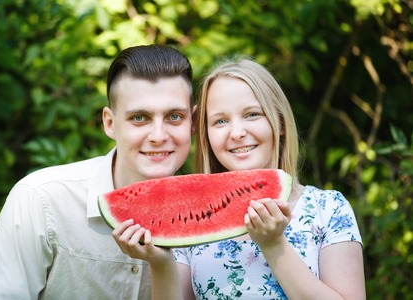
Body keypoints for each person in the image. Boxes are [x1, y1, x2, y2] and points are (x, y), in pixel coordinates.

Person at [112, 57, 366, 299]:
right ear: (206, 134)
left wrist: (274, 245)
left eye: (252, 115)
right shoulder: (188, 219)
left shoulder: (329, 209)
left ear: (279, 121)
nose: (237, 132)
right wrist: (160, 262)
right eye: (220, 121)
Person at [0, 44, 196, 299]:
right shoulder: (39, 200)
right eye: (139, 118)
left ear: (192, 122)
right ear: (110, 124)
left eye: (174, 117)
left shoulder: (207, 221)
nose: (158, 136)